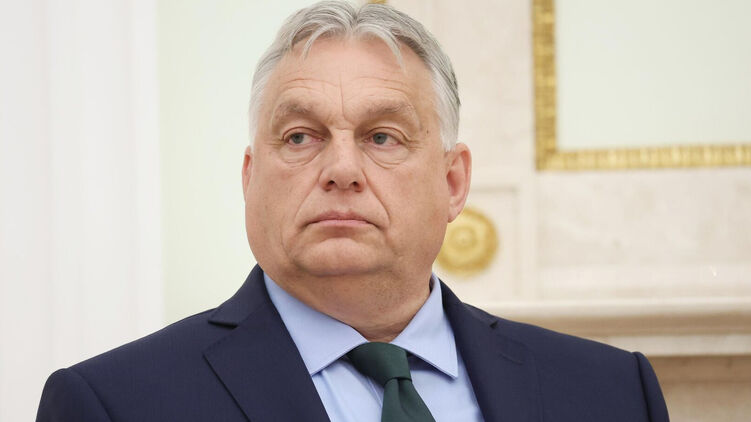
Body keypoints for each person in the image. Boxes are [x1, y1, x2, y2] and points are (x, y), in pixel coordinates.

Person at [36, 1, 669, 421]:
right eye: (300, 137)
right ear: (250, 178)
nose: (341, 169)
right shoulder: (115, 404)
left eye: (383, 137)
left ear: (453, 182)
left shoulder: (612, 394)